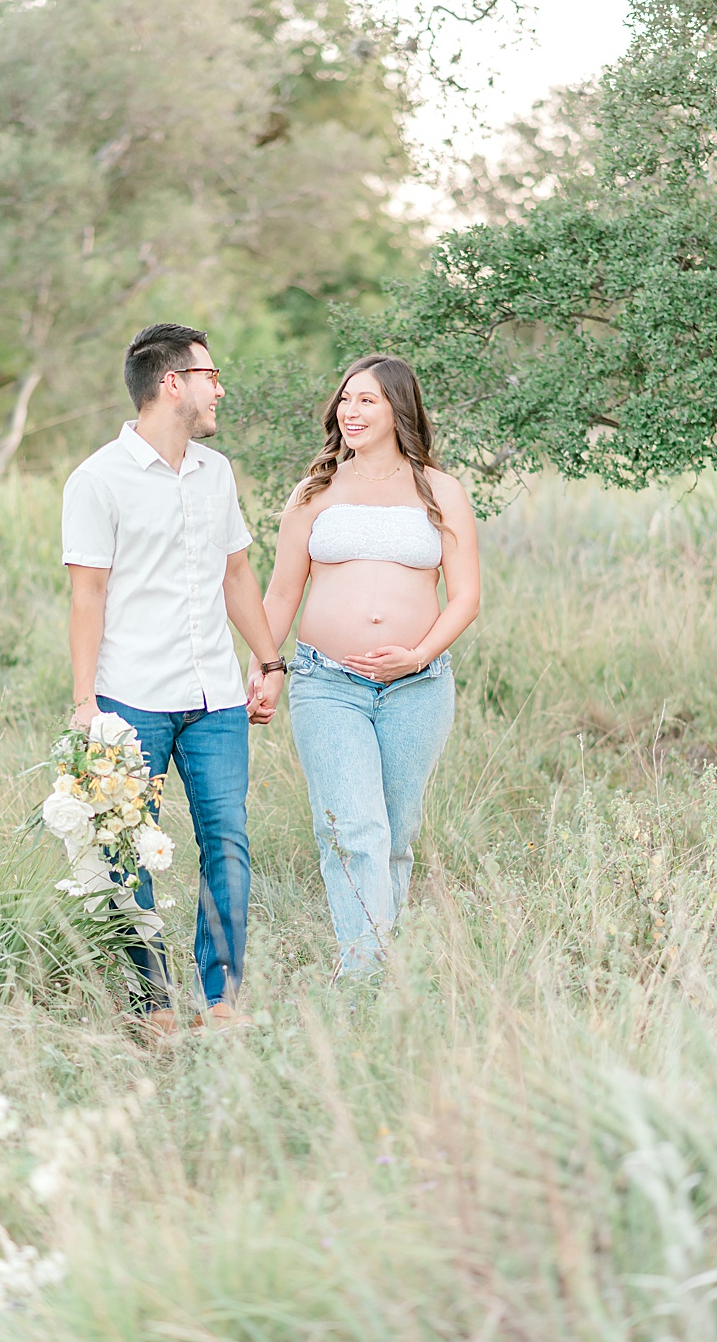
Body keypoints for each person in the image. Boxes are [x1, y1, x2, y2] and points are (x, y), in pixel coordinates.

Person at [62, 322, 288, 1037]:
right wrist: (84, 703)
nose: (220, 389)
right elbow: (86, 594)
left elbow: (237, 573)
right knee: (127, 849)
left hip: (216, 696)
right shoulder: (97, 479)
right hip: (132, 696)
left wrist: (270, 660)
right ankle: (152, 1003)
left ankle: (222, 1002)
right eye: (211, 375)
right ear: (172, 383)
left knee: (227, 841)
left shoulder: (215, 473)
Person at [261, 354, 479, 977]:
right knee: (354, 829)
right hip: (327, 684)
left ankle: (387, 966)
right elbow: (281, 594)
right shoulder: (314, 492)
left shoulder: (440, 491)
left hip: (418, 686)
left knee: (396, 833)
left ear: (397, 410)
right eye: (345, 400)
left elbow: (465, 598)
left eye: (367, 401)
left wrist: (416, 655)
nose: (350, 412)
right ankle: (363, 978)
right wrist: (265, 666)